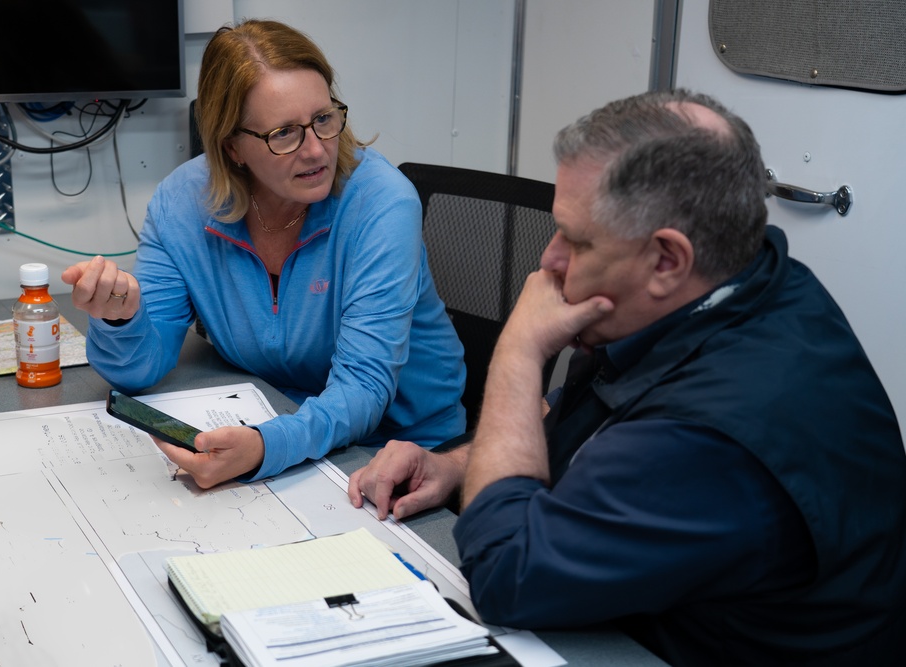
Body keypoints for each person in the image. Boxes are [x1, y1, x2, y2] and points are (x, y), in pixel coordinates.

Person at [348, 89, 906, 665]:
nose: (549, 261)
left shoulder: (712, 433)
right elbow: (583, 423)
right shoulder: (749, 282)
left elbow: (504, 576)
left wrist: (517, 355)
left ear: (667, 260)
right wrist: (455, 465)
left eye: (577, 239)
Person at [61, 19, 465, 486]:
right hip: (281, 424)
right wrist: (120, 319)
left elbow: (364, 390)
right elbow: (139, 370)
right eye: (284, 134)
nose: (316, 151)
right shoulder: (182, 203)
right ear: (233, 146)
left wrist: (265, 446)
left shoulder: (381, 203)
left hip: (401, 452)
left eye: (323, 119)